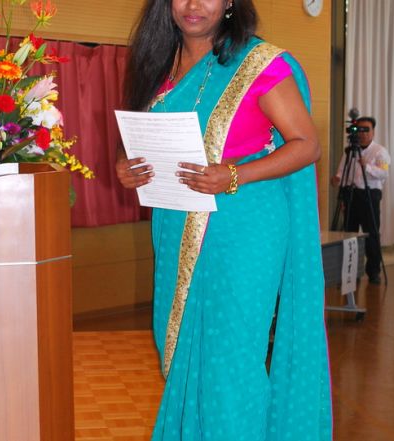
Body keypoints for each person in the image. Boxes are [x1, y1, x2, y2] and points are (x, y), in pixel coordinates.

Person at [115, 0, 332, 438]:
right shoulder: (157, 63)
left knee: (231, 358)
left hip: (244, 228)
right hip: (176, 224)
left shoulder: (260, 64)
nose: (194, 5)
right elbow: (140, 138)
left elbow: (306, 144)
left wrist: (234, 175)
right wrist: (126, 166)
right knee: (182, 354)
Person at [331, 116, 390, 284]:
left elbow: (384, 173)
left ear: (373, 132)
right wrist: (337, 178)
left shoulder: (380, 151)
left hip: (369, 194)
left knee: (371, 233)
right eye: (360, 130)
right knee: (349, 233)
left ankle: (373, 272)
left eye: (366, 130)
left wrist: (367, 167)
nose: (362, 133)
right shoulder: (349, 151)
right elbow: (342, 171)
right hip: (351, 194)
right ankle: (351, 273)